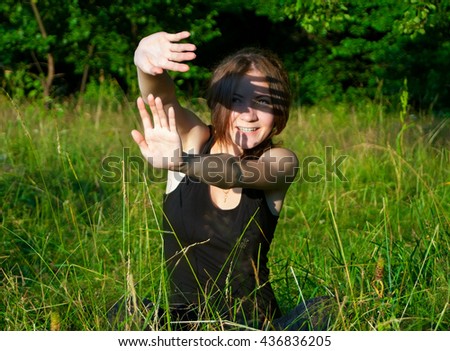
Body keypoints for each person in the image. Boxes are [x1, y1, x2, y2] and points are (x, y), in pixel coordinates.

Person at [131, 31, 333, 330]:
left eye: (263, 101)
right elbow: (163, 99)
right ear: (218, 104)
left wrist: (182, 162)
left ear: (279, 109)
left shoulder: (280, 160)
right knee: (129, 311)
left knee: (329, 307)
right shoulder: (195, 138)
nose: (248, 115)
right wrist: (145, 64)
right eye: (236, 100)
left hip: (256, 327)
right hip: (184, 326)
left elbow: (235, 173)